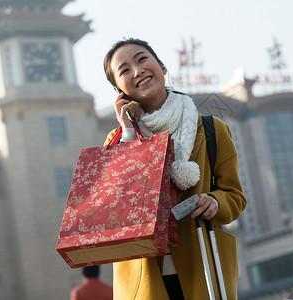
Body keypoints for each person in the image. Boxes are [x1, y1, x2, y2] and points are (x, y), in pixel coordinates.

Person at [103, 38, 247, 299]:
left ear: (162, 66)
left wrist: (215, 201)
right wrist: (127, 133)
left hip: (203, 270)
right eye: (124, 70)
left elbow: (235, 197)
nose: (137, 71)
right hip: (144, 280)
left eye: (142, 59)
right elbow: (120, 210)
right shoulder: (117, 141)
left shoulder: (213, 129)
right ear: (119, 91)